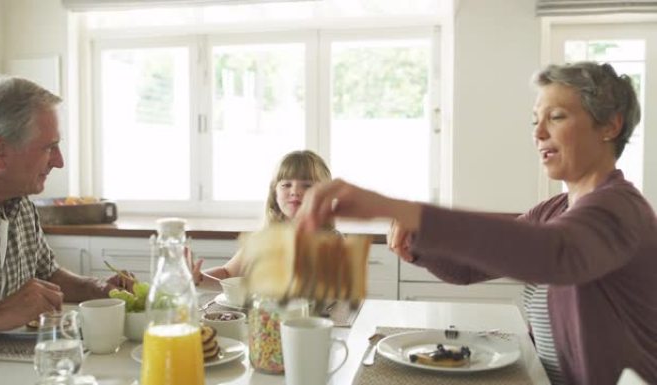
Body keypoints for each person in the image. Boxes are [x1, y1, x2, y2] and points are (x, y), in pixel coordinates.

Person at [295, 62, 657, 385]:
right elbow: (469, 268)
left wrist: (403, 209)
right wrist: (418, 243)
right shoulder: (553, 210)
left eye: (557, 117)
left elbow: (554, 254)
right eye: (535, 121)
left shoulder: (620, 208)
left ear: (610, 125)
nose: (538, 133)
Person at [0, 76, 133, 339]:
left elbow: (49, 275)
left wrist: (98, 288)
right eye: (49, 147)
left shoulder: (21, 203)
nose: (59, 162)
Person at [192, 149, 333, 289]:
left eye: (307, 185)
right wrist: (197, 278)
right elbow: (227, 274)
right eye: (286, 185)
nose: (295, 191)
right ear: (274, 193)